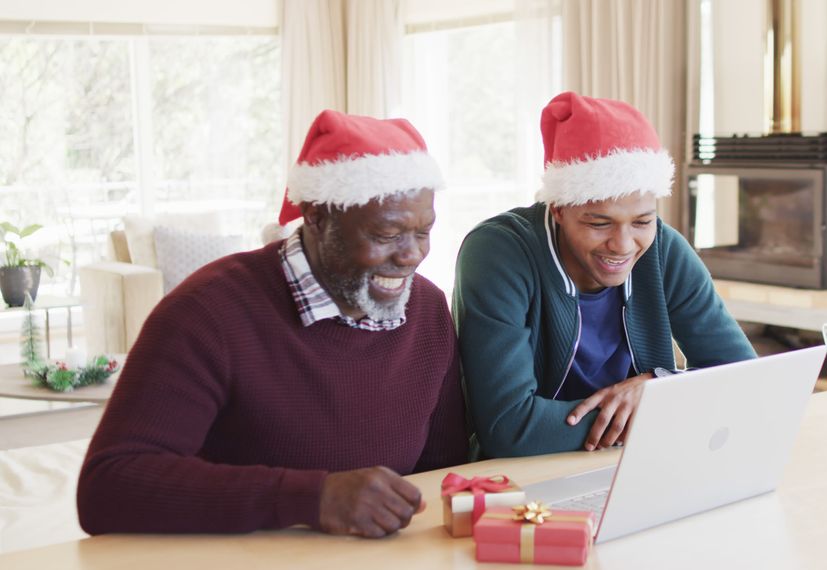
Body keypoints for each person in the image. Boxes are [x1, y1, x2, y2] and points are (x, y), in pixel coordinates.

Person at [78, 110, 467, 538]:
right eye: (388, 234)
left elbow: (444, 473)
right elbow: (108, 487)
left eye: (424, 232)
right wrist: (311, 498)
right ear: (318, 216)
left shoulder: (427, 310)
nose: (412, 255)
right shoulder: (205, 313)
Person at [453, 92, 756, 458]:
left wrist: (659, 387)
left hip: (638, 461)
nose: (623, 245)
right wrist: (663, 408)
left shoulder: (663, 249)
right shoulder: (498, 253)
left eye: (642, 221)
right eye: (599, 223)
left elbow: (745, 380)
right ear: (559, 209)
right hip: (523, 477)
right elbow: (510, 428)